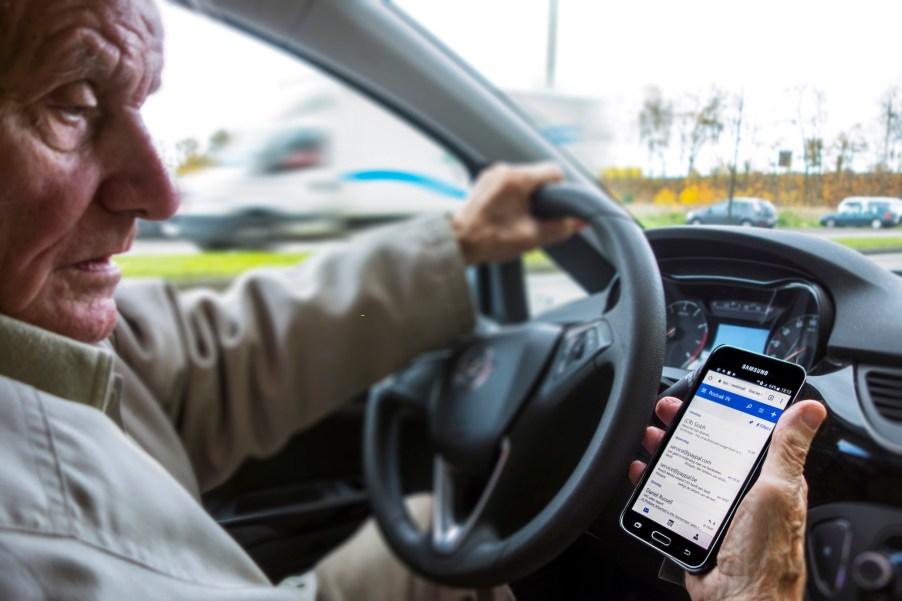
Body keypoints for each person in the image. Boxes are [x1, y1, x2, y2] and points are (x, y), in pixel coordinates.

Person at [0, 0, 826, 599]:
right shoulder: (32, 547)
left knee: (443, 535)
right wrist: (756, 594)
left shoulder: (34, 340)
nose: (161, 191)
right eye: (71, 105)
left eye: (142, 109)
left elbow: (201, 361)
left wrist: (457, 244)